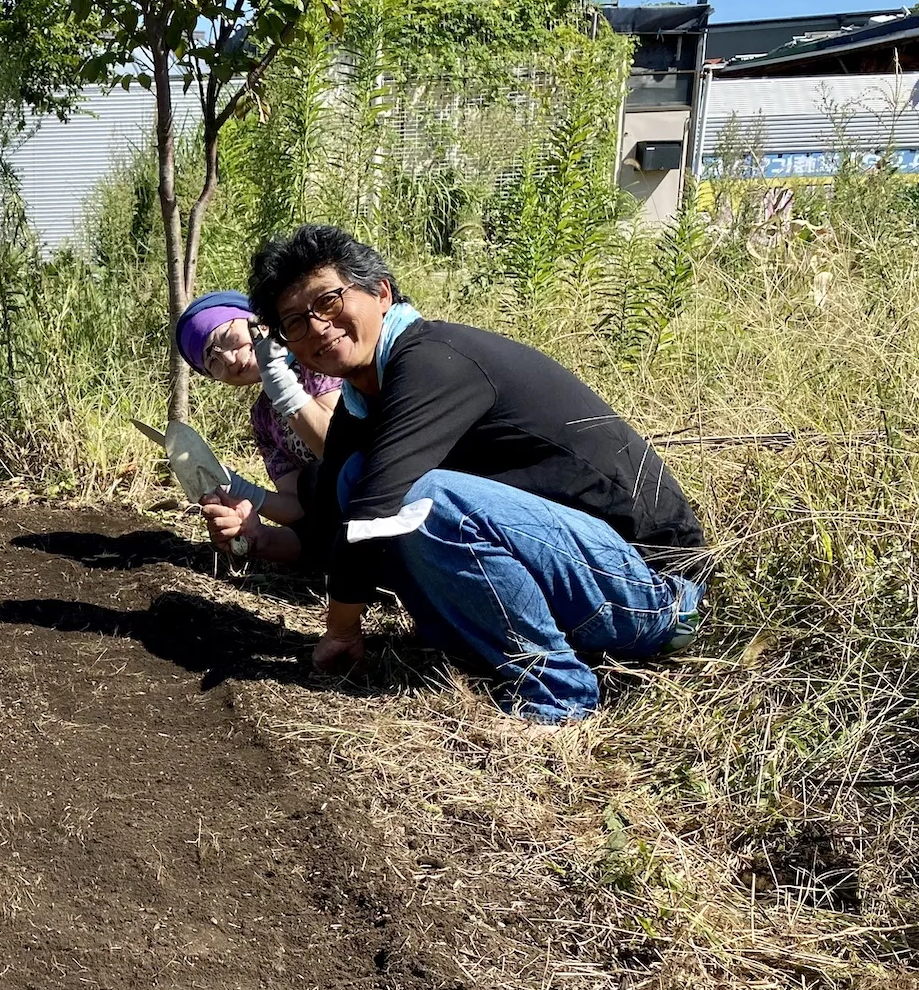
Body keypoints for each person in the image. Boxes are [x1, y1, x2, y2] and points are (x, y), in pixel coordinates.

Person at [221, 224, 709, 724]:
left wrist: (342, 630)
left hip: (654, 595)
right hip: (579, 583)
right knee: (351, 481)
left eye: (328, 301)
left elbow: (378, 508)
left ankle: (558, 695)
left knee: (420, 497)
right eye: (294, 323)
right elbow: (333, 524)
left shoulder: (434, 361)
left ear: (381, 292)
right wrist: (257, 537)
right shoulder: (361, 404)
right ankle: (471, 650)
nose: (318, 328)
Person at [175, 289, 342, 564]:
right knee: (312, 489)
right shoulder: (263, 416)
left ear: (257, 321)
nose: (228, 360)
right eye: (212, 363)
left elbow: (341, 449)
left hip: (385, 488)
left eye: (227, 338)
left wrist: (280, 383)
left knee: (317, 477)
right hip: (343, 513)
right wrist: (234, 486)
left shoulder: (318, 355)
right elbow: (302, 506)